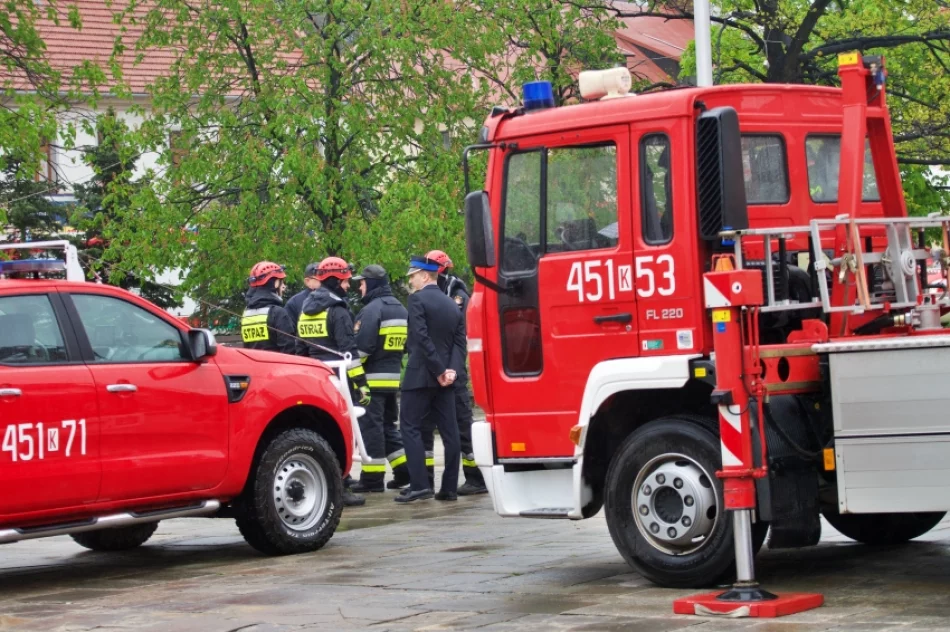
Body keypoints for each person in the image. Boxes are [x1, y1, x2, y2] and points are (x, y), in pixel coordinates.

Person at [298, 256, 369, 507]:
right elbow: (348, 351)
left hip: (316, 378)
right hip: (339, 379)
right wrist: (361, 384)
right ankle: (343, 483)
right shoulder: (338, 310)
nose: (348, 286)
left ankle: (336, 481)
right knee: (343, 431)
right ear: (336, 280)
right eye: (346, 281)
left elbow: (300, 349)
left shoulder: (306, 307)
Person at [395, 255, 466, 504]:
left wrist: (437, 370)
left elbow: (421, 339)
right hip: (446, 378)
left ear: (425, 276)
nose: (411, 280)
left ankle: (420, 485)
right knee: (450, 432)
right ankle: (449, 488)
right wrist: (451, 371)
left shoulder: (416, 300)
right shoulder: (451, 304)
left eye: (413, 275)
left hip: (421, 375)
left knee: (410, 426)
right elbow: (459, 343)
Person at [418, 249, 487, 496]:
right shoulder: (433, 294)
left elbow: (457, 335)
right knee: (426, 426)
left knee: (461, 425)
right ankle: (424, 481)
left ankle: (476, 478)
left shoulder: (457, 296)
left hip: (453, 371)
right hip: (434, 371)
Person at [349, 264, 411, 493]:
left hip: (371, 382)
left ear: (372, 284)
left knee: (371, 429)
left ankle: (372, 480)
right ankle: (404, 471)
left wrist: (351, 370)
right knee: (387, 427)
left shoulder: (372, 310)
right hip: (392, 379)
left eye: (362, 283)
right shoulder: (400, 309)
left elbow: (363, 348)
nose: (360, 288)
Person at [241, 261, 296, 355]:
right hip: (277, 367)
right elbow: (289, 350)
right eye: (281, 282)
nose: (283, 287)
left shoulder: (246, 313)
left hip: (255, 367)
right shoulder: (278, 313)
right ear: (275, 284)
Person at [284, 262, 320, 333]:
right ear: (307, 281)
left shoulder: (334, 299)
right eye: (320, 279)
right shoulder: (294, 303)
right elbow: (289, 334)